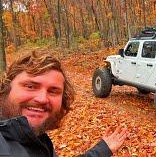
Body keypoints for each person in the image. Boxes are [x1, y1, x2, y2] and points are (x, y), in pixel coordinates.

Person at [0, 51, 129, 156]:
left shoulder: (34, 138)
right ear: (6, 89)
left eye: (53, 91)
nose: (42, 99)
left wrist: (102, 149)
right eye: (30, 86)